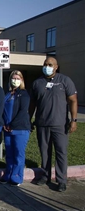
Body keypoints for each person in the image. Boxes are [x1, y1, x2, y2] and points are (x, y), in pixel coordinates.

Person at [29, 57, 78, 192]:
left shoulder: (64, 81)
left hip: (60, 125)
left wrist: (73, 120)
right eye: (45, 64)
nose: (47, 66)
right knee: (45, 152)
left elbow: (73, 100)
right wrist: (29, 119)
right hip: (42, 124)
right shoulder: (37, 83)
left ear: (56, 67)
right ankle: (45, 176)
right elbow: (32, 104)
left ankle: (61, 180)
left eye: (50, 64)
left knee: (61, 152)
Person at [0, 70, 30, 186]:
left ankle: (17, 176)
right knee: (10, 154)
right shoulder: (8, 94)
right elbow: (2, 110)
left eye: (18, 78)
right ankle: (9, 174)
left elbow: (22, 112)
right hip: (7, 129)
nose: (15, 80)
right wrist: (3, 124)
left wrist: (12, 125)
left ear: (21, 80)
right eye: (13, 78)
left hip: (20, 129)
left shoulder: (24, 94)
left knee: (18, 154)